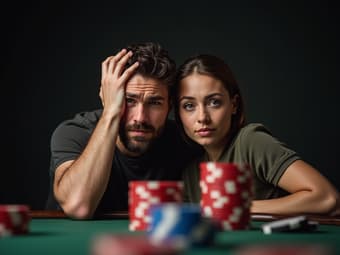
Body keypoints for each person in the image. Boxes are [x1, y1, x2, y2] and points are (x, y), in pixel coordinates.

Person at [46, 42, 200, 219]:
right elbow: (78, 206)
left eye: (155, 103)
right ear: (108, 98)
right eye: (129, 100)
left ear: (169, 106)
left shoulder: (185, 142)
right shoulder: (74, 133)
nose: (140, 118)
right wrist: (111, 112)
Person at [172, 54, 340, 215]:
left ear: (234, 105)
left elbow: (326, 197)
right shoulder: (191, 174)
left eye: (214, 102)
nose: (202, 117)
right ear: (178, 113)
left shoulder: (250, 142)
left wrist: (238, 206)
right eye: (189, 106)